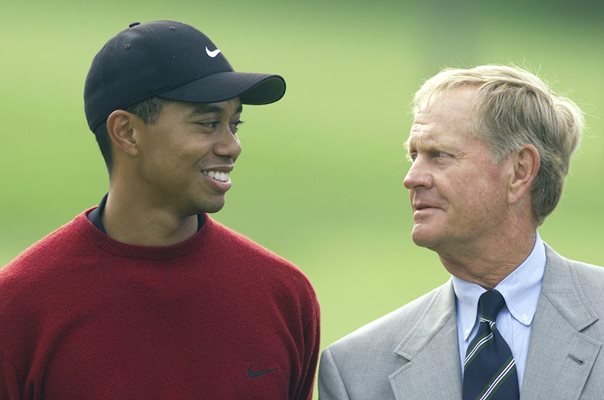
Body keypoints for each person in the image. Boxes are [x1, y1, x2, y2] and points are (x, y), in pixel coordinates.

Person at [0, 20, 319, 400]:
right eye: (208, 123)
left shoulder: (284, 296)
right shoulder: (19, 308)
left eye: (234, 124)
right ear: (127, 133)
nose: (232, 146)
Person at [318, 65, 604, 399]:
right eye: (413, 155)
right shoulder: (356, 371)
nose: (412, 178)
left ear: (520, 170)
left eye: (438, 155)